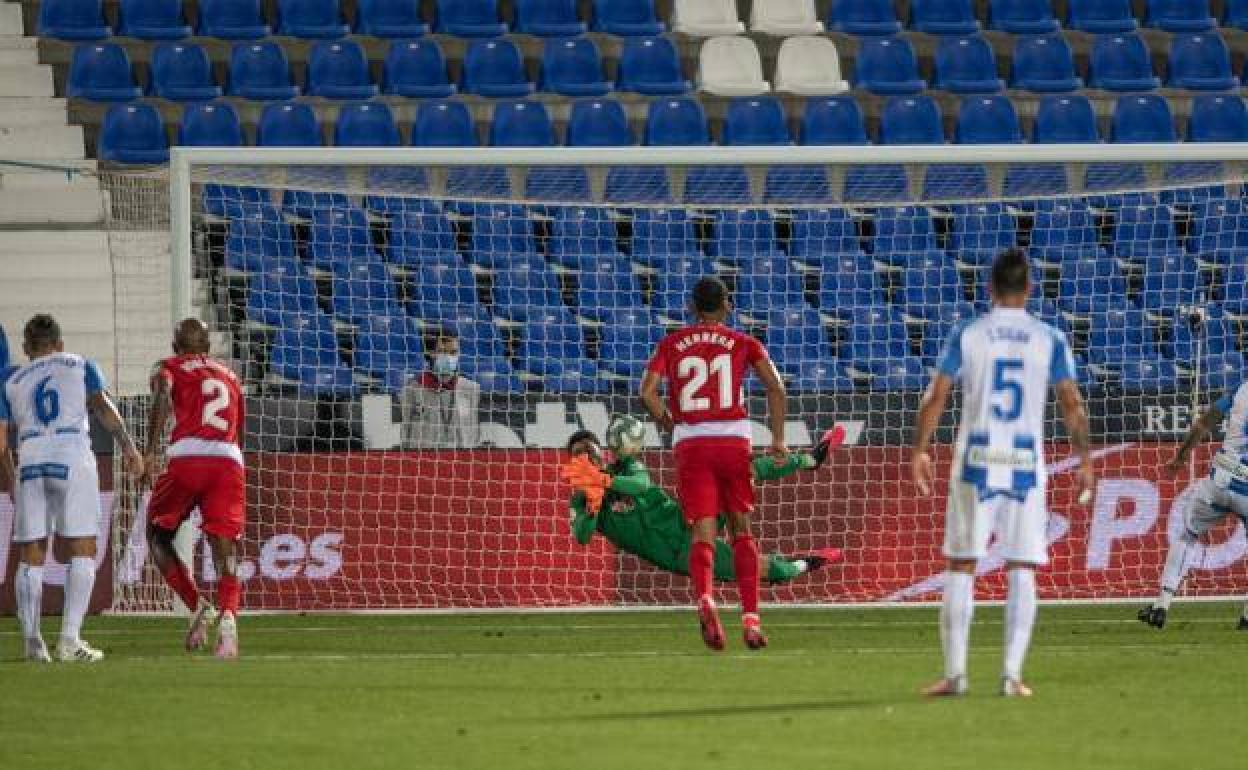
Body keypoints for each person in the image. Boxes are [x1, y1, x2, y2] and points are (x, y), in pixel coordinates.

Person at [911, 248, 1095, 698]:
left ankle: (955, 675)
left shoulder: (968, 333)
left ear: (990, 287)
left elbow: (936, 396)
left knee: (961, 564)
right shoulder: (1049, 338)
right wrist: (1086, 460)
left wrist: (920, 449)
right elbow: (1072, 402)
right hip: (1024, 463)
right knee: (1022, 566)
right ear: (1029, 289)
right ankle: (1012, 676)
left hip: (976, 458)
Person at [639, 276, 789, 651]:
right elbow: (776, 387)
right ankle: (751, 621)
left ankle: (706, 597)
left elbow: (647, 391)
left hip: (692, 444)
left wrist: (670, 423)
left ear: (692, 307)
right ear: (727, 305)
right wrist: (778, 439)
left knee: (702, 533)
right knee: (741, 530)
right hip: (733, 442)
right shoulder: (744, 342)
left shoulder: (671, 343)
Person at [0, 314, 143, 662]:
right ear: (59, 344)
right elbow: (104, 408)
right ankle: (69, 640)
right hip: (72, 457)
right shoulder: (81, 365)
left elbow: (1, 442)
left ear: (26, 348)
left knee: (31, 555)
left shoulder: (10, 379)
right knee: (82, 548)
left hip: (31, 460)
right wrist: (130, 448)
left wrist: (12, 477)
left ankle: (33, 642)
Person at [561, 422, 845, 585]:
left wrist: (604, 481)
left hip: (688, 517)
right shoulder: (580, 499)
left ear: (600, 454)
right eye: (578, 454)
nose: (585, 456)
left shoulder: (625, 467)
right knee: (767, 571)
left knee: (742, 471)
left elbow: (641, 484)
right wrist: (592, 505)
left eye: (589, 450)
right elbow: (581, 536)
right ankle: (807, 562)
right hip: (681, 554)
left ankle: (810, 460)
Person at [141, 319, 246, 659]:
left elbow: (161, 395)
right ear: (208, 346)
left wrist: (150, 451)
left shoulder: (169, 366)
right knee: (224, 544)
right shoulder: (230, 376)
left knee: (157, 534)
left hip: (187, 458)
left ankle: (197, 605)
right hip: (228, 460)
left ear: (175, 346)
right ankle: (228, 622)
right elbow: (239, 431)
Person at [1138, 379, 1248, 630]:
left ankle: (1161, 606)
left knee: (1187, 535)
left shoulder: (1240, 388)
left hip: (1220, 480)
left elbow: (1204, 422)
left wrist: (1181, 457)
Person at [401, 331, 480, 449]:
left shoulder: (471, 388)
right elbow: (406, 429)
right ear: (432, 353)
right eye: (442, 352)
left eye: (453, 352)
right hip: (425, 455)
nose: (448, 358)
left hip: (460, 456)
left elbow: (473, 430)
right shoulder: (413, 387)